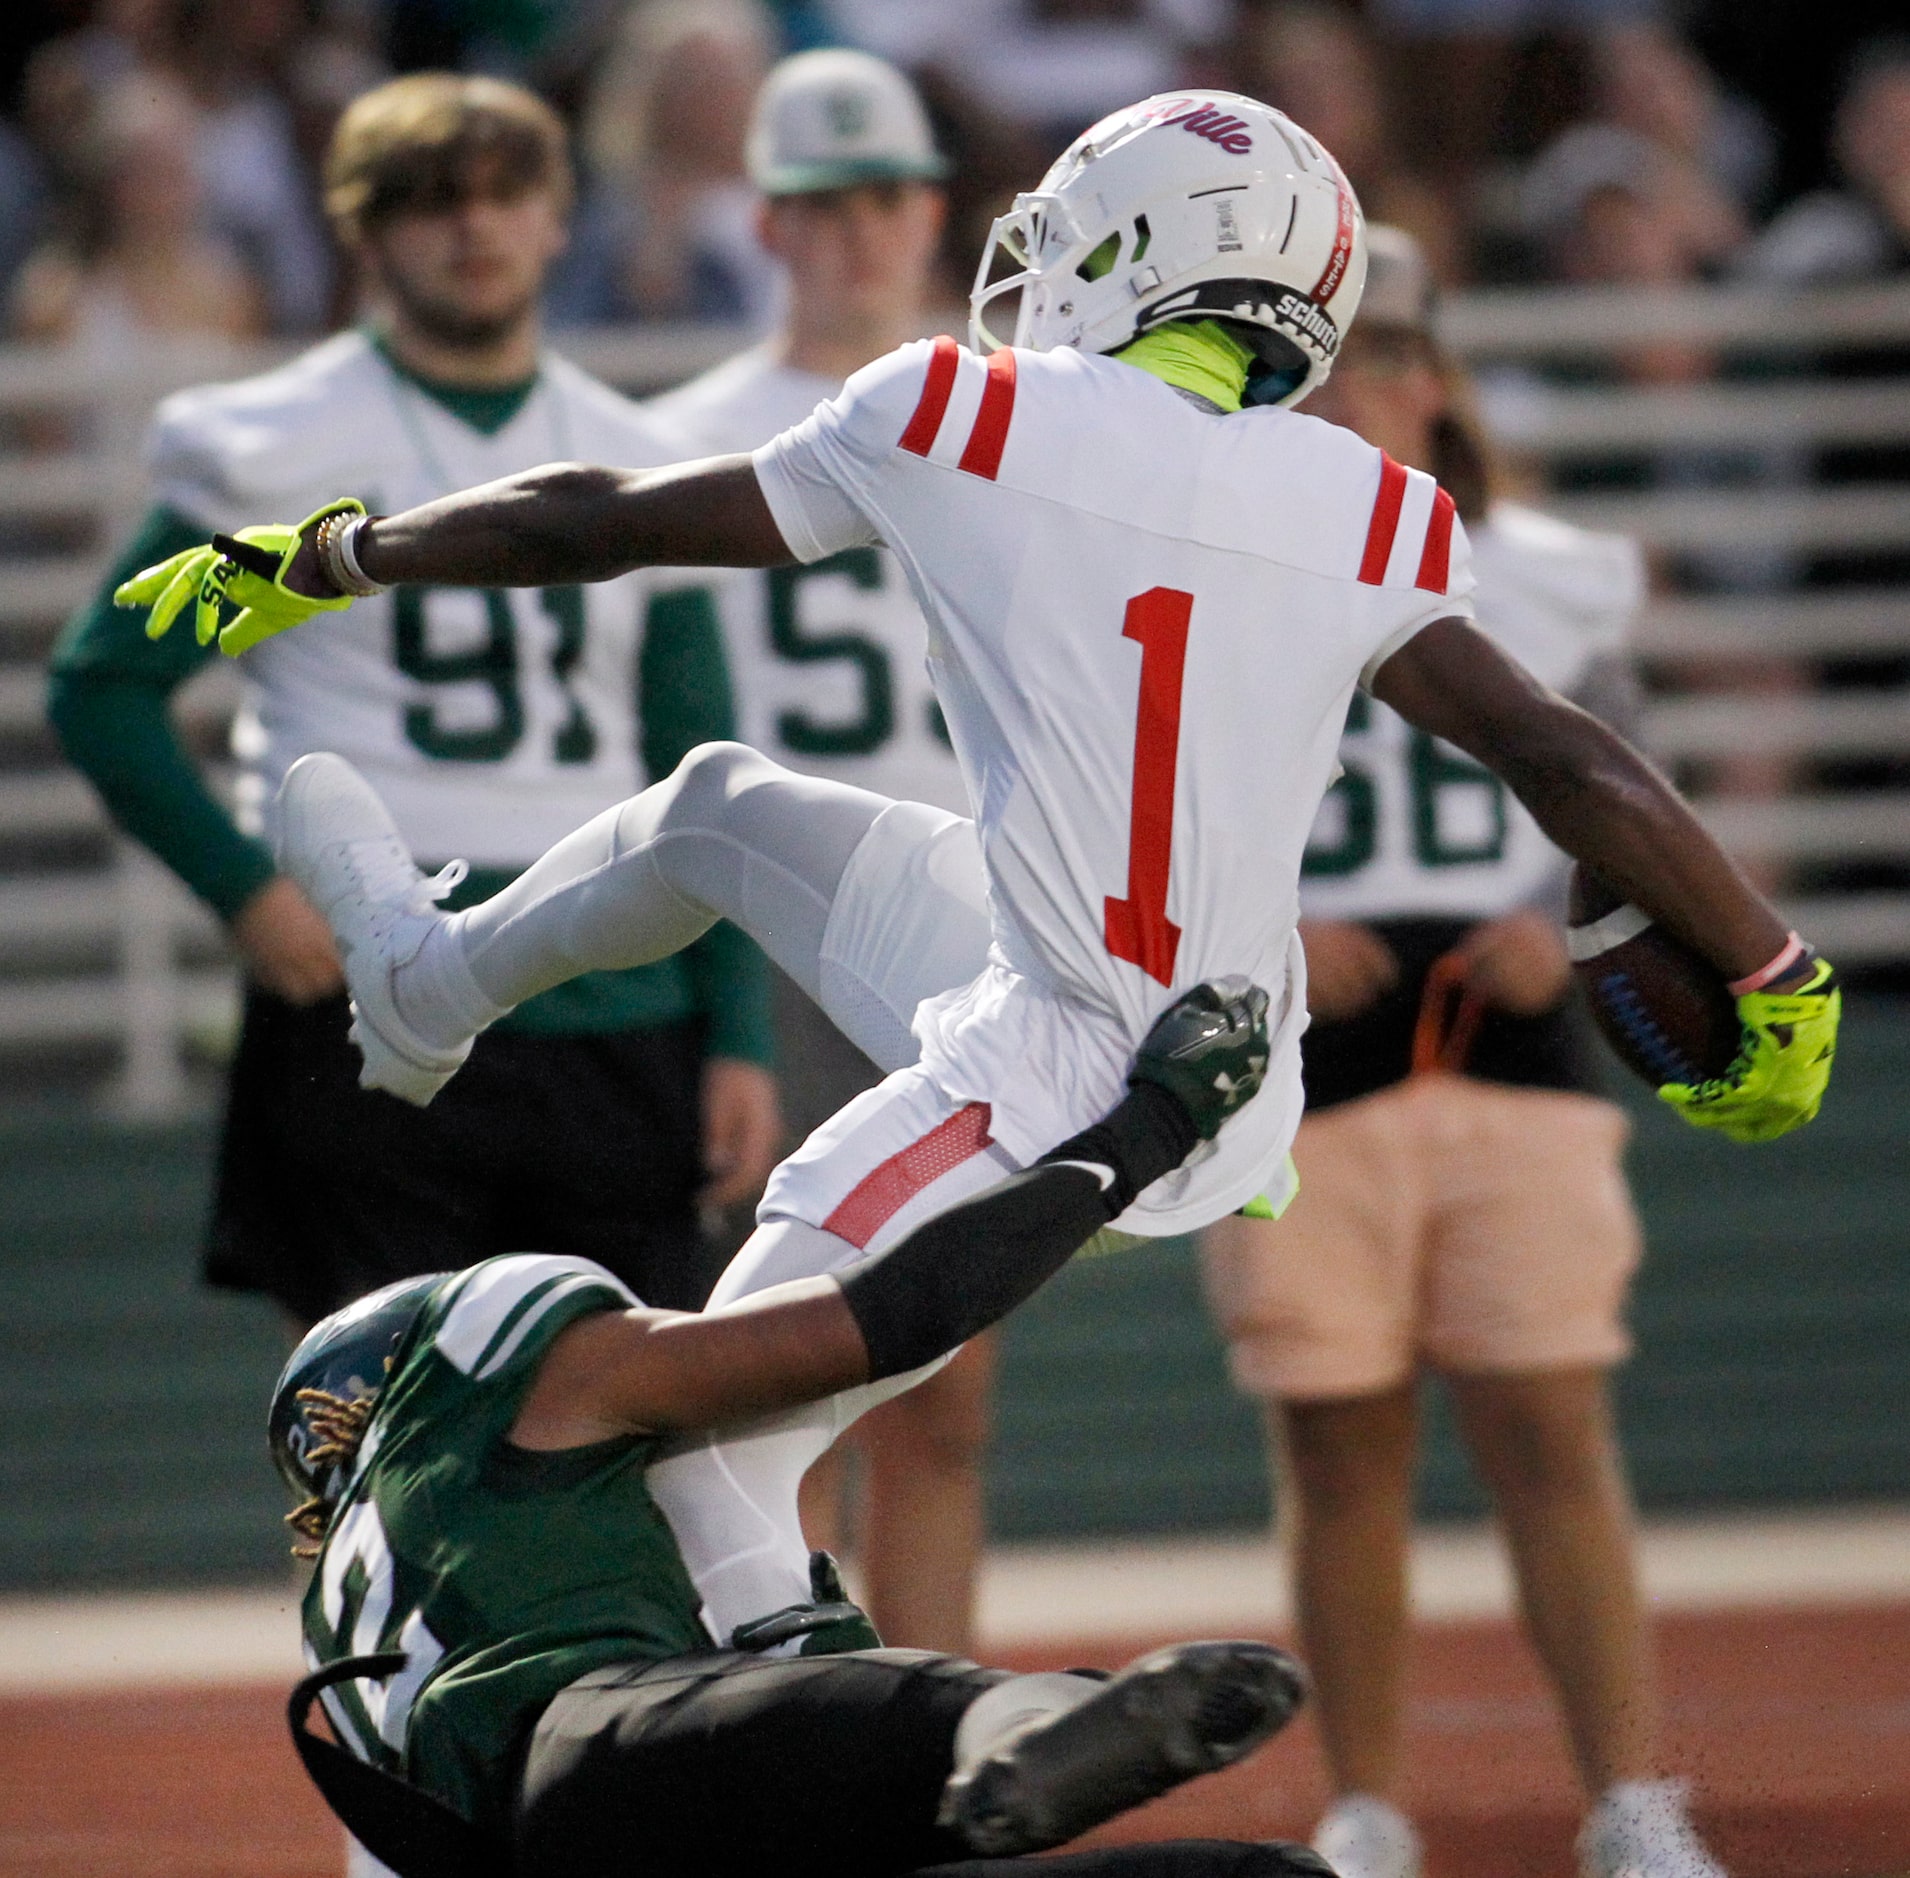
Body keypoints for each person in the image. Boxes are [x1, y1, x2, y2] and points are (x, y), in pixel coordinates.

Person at [119, 88, 1841, 1682]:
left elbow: (597, 520)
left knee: (715, 1456)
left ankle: (860, 1765)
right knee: (718, 809)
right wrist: (1773, 967)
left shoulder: (966, 410)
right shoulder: (1375, 504)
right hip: (1206, 1029)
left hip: (1063, 1069)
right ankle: (436, 983)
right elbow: (1569, 757)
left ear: (1148, 247)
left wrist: (338, 551)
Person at [274, 978, 1323, 1878]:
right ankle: (1013, 1727)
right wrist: (1143, 1133)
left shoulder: (360, 1619)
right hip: (584, 1763)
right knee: (738, 1717)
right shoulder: (481, 1380)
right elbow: (891, 1316)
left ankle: (1017, 1739)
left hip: (548, 1828)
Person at [48, 73, 780, 1328]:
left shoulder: (624, 453)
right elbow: (106, 683)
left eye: (505, 194)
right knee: (366, 1424)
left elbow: (695, 760)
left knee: (629, 1434)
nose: (474, 228)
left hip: (607, 985)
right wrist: (244, 889)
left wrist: (741, 1037)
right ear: (365, 231)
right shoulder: (284, 448)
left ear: (557, 220)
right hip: (373, 978)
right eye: (430, 201)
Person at [1197, 227, 1727, 1878]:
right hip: (1303, 1046)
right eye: (1332, 356)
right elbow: (1159, 805)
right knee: (1337, 1444)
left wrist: (1571, 923)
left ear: (1438, 376)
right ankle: (1365, 1802)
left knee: (1552, 1425)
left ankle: (1630, 1798)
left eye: (1391, 352)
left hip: (1513, 1041)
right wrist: (1260, 937)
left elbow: (1631, 797)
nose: (1365, 386)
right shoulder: (1214, 565)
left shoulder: (1552, 571)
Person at [647, 45, 990, 1657]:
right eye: (819, 203)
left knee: (941, 1393)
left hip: (963, 924)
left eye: (880, 198)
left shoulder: (1010, 413)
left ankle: (924, 1750)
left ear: (927, 208)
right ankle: (799, 1739)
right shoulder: (685, 430)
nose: (855, 233)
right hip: (762, 923)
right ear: (766, 223)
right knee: (771, 1386)